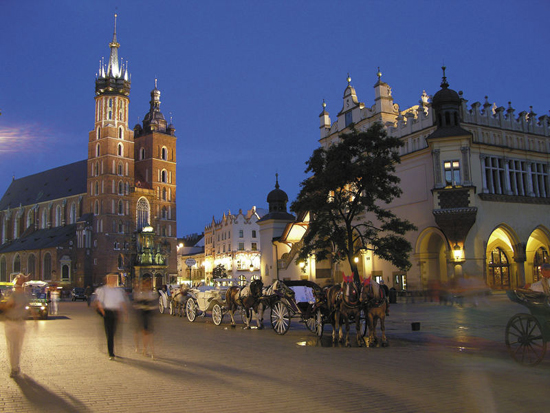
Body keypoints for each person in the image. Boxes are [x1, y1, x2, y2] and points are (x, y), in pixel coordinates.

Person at [0, 273, 30, 378]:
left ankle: (15, 367)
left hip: (19, 323)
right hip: (11, 322)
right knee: (13, 346)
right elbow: (6, 306)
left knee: (16, 346)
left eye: (21, 280)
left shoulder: (23, 295)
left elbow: (28, 307)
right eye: (18, 279)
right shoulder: (12, 293)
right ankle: (14, 368)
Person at [94, 273, 128, 360]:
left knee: (114, 332)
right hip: (108, 312)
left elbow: (121, 302)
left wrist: (124, 313)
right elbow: (99, 302)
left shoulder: (118, 291)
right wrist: (103, 312)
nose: (113, 280)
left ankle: (113, 349)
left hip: (115, 312)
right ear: (108, 280)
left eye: (114, 279)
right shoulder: (103, 290)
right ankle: (111, 353)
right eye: (112, 279)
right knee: (109, 333)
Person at [133, 277, 158, 359]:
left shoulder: (152, 294)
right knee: (142, 332)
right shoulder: (140, 294)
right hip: (141, 314)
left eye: (148, 284)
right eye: (146, 284)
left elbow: (154, 305)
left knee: (148, 333)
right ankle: (141, 347)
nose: (147, 286)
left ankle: (146, 349)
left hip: (148, 314)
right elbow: (137, 305)